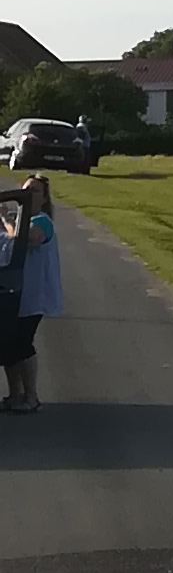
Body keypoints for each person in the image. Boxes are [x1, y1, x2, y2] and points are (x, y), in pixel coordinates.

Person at [3, 172, 60, 412]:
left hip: (34, 296)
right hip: (13, 293)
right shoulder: (18, 220)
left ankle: (31, 397)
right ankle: (15, 395)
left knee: (23, 344)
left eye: (35, 191)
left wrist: (5, 220)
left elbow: (25, 240)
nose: (29, 194)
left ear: (44, 198)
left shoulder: (41, 222)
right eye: (26, 189)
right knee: (8, 346)